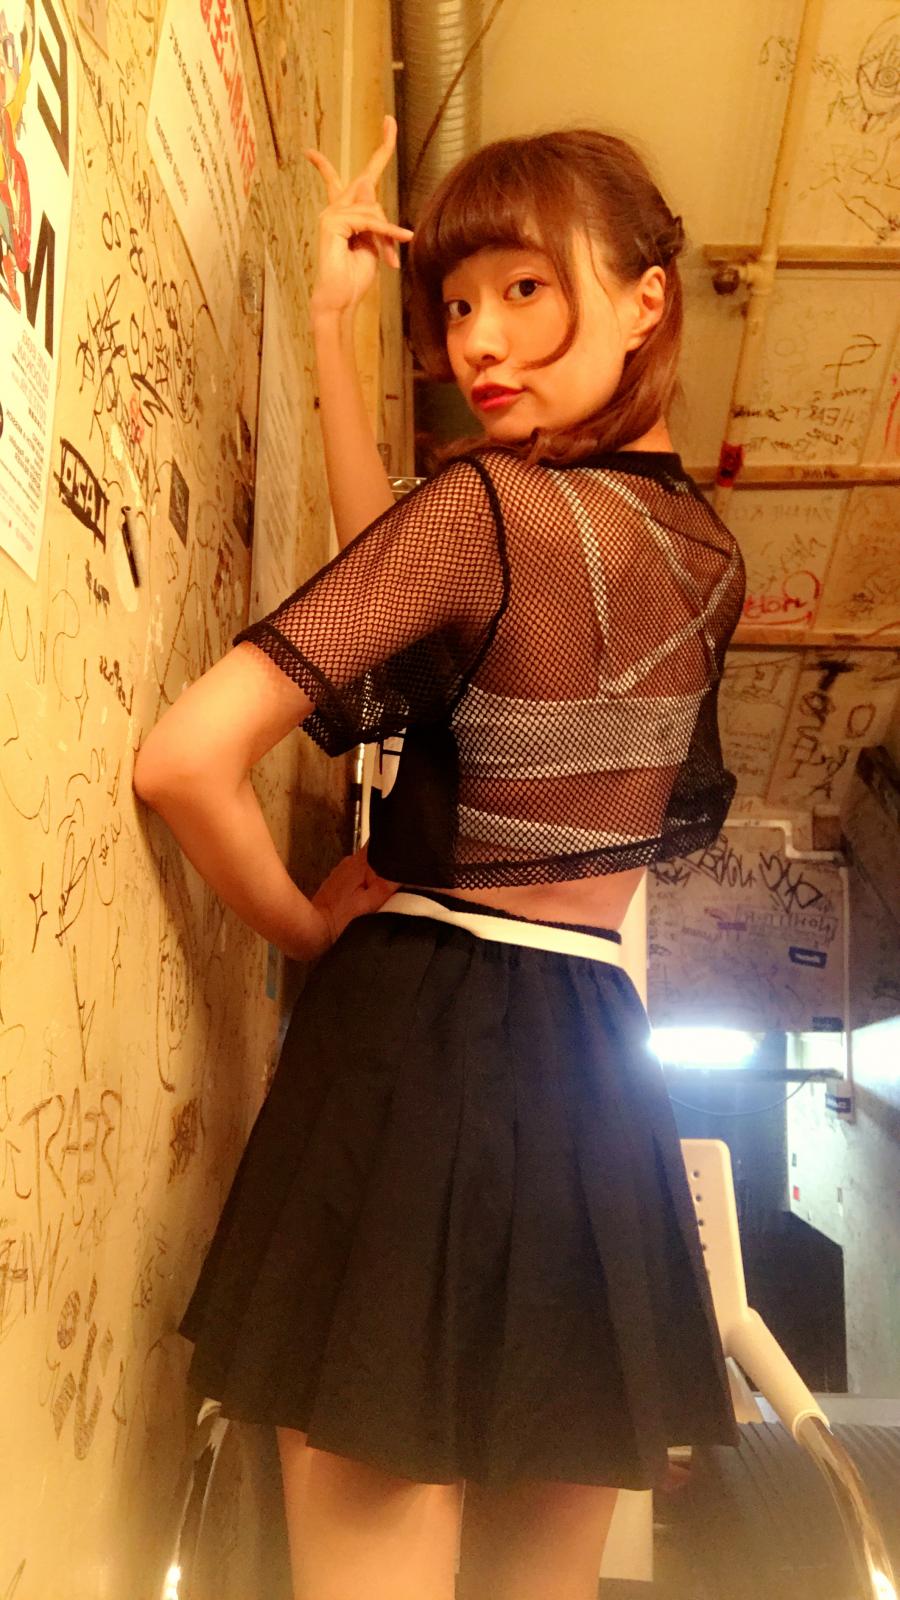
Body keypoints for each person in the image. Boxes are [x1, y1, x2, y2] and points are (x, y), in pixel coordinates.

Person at [134, 114, 746, 1600]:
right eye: (459, 304)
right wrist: (338, 342)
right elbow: (420, 590)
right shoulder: (705, 558)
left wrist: (303, 929)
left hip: (416, 1047)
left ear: (645, 299)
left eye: (527, 289)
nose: (481, 339)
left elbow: (184, 759)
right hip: (595, 1067)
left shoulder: (489, 513)